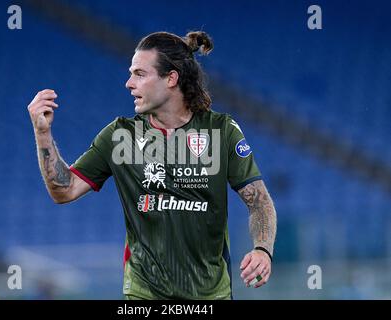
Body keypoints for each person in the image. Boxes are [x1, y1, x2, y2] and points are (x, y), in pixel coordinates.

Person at [27, 31, 277, 300]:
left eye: (139, 74)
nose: (128, 83)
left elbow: (259, 201)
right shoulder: (120, 135)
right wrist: (43, 134)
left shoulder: (221, 130)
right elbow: (64, 190)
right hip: (143, 296)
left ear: (171, 78)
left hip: (210, 296)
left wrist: (262, 249)